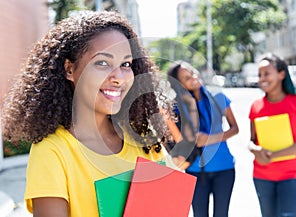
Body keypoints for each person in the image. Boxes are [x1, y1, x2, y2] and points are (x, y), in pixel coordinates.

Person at [1, 10, 175, 217]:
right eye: (102, 63)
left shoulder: (144, 139)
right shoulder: (53, 152)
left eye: (126, 64)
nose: (118, 78)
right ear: (69, 70)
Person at [167, 61, 239, 217]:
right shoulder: (177, 108)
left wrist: (210, 139)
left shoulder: (218, 97)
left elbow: (235, 129)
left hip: (224, 169)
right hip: (195, 171)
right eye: (187, 78)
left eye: (192, 72)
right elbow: (179, 141)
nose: (194, 77)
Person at [248, 53, 296, 217]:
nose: (262, 78)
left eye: (267, 73)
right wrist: (255, 150)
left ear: (281, 74)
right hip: (262, 175)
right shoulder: (256, 106)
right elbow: (251, 141)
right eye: (260, 74)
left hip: (292, 175)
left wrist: (272, 155)